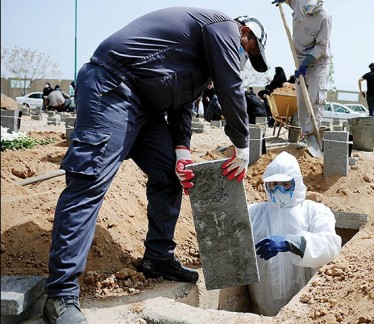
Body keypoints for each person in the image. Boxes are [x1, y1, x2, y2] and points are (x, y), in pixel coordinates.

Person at [42, 7, 269, 324]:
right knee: (89, 179)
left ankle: (157, 257)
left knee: (169, 175)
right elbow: (230, 84)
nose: (244, 57)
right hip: (113, 86)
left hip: (144, 107)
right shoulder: (224, 27)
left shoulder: (201, 62)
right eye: (249, 49)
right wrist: (241, 143)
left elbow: (183, 105)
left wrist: (181, 149)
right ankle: (61, 295)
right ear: (244, 31)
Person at [248, 151, 341, 316]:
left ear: (296, 183)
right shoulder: (254, 213)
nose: (279, 190)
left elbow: (330, 246)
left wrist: (291, 242)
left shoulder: (314, 212)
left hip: (304, 309)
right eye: (273, 184)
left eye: (285, 184)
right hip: (261, 309)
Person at [272, 0, 331, 136]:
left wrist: (307, 62)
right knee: (302, 100)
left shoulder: (325, 17)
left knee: (315, 97)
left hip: (318, 61)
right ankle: (306, 134)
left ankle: (313, 136)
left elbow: (321, 47)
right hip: (299, 60)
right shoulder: (299, 3)